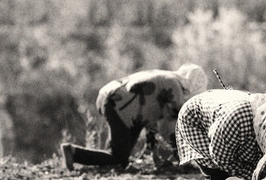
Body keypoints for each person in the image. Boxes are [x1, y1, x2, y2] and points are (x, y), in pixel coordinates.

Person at [61, 63, 208, 170]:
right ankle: (72, 152)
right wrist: (182, 158)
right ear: (192, 85)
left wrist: (155, 153)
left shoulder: (166, 77)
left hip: (113, 100)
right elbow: (169, 128)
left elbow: (154, 122)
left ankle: (96, 158)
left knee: (121, 158)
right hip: (117, 105)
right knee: (118, 159)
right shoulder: (174, 87)